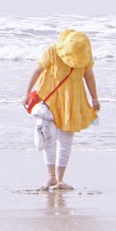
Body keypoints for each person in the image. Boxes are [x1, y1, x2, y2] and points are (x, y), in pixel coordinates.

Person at [23, 28, 100, 190]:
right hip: (49, 102)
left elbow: (89, 77)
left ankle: (60, 180)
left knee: (65, 142)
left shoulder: (84, 55)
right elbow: (37, 71)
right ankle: (51, 177)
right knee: (49, 139)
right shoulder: (52, 51)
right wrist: (26, 93)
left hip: (72, 103)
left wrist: (95, 98)